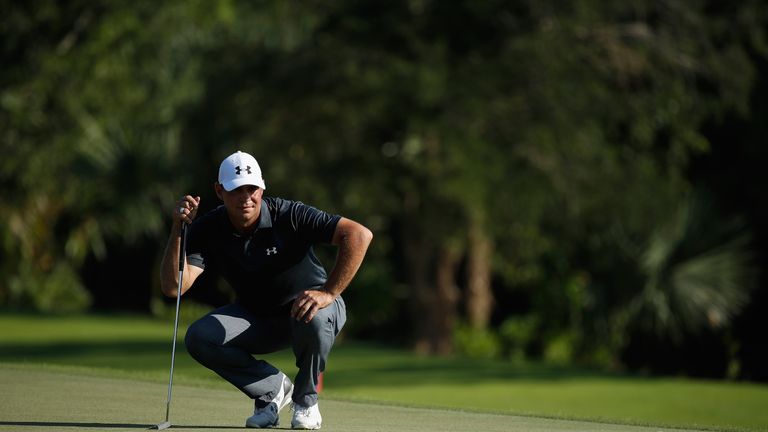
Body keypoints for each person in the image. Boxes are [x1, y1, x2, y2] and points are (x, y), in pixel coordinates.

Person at [160, 150, 373, 429]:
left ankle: (306, 401)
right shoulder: (210, 227)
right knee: (200, 337)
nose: (246, 197)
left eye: (252, 188)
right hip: (257, 317)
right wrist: (178, 229)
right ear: (219, 190)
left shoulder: (290, 215)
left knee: (315, 315)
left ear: (262, 187)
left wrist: (329, 292)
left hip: (312, 308)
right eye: (237, 190)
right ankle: (271, 389)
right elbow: (174, 287)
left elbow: (359, 234)